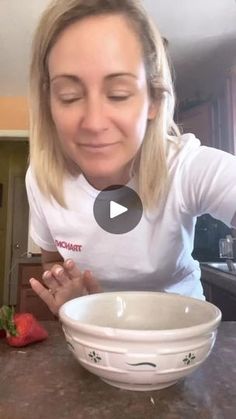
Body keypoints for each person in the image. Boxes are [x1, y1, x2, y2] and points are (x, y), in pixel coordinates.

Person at [26, 0, 236, 316]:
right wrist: (70, 293)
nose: (94, 123)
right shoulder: (42, 177)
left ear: (153, 100)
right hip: (96, 338)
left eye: (119, 94)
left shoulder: (183, 167)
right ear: (49, 104)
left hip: (180, 341)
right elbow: (51, 258)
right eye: (69, 96)